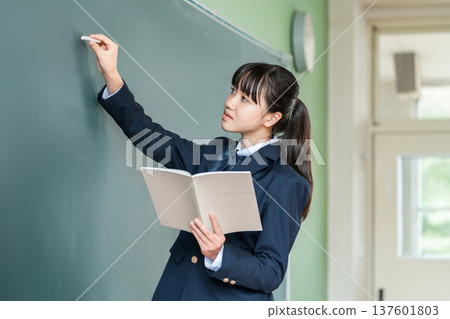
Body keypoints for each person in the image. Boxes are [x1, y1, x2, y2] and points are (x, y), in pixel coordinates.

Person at [87, 33, 313, 301]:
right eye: (233, 90)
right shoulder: (215, 152)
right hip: (176, 292)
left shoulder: (286, 182)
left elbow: (271, 272)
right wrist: (112, 75)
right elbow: (151, 137)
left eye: (245, 99)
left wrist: (221, 254)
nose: (230, 102)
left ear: (272, 117)